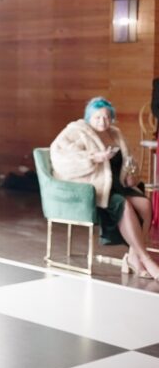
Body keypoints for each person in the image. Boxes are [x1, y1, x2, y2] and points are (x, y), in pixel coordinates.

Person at [50, 97, 159, 278]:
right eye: (98, 117)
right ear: (89, 118)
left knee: (146, 205)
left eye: (107, 117)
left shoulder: (115, 134)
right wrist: (92, 158)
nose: (103, 121)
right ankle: (146, 259)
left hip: (117, 185)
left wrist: (132, 176)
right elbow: (60, 156)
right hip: (96, 188)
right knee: (124, 205)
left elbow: (129, 161)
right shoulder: (77, 132)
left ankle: (133, 255)